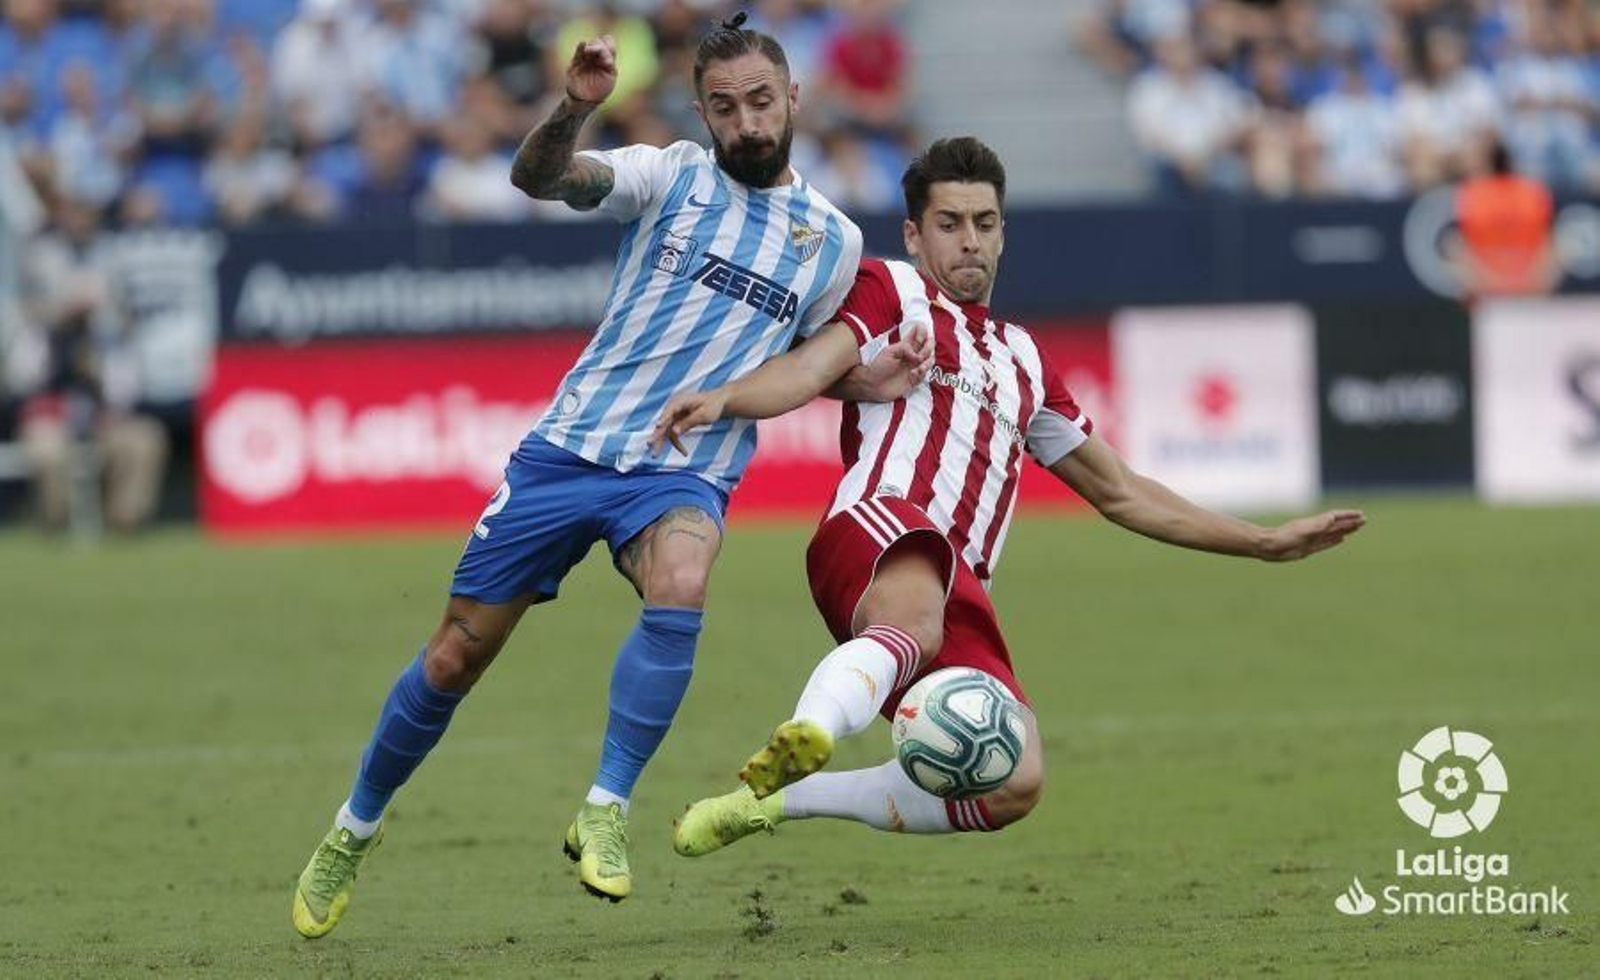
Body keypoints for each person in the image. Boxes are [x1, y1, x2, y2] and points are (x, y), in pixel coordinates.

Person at [290, 13, 932, 938]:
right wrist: (571, 109)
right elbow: (540, 178)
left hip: (685, 469)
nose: (747, 122)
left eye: (761, 101)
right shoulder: (667, 175)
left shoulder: (831, 241)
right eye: (725, 107)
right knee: (454, 655)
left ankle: (605, 808)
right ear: (702, 113)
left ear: (793, 98)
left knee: (683, 578)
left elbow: (806, 365)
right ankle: (354, 828)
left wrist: (874, 377)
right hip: (572, 448)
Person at [653, 136, 1366, 854]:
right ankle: (812, 727)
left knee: (1013, 780)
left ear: (1002, 233)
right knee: (916, 618)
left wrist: (1262, 542)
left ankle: (774, 803)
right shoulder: (893, 290)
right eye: (949, 223)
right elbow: (810, 369)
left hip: (958, 589)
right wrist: (727, 398)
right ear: (914, 234)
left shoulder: (1026, 360)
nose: (969, 240)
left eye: (984, 223)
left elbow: (1121, 491)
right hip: (880, 523)